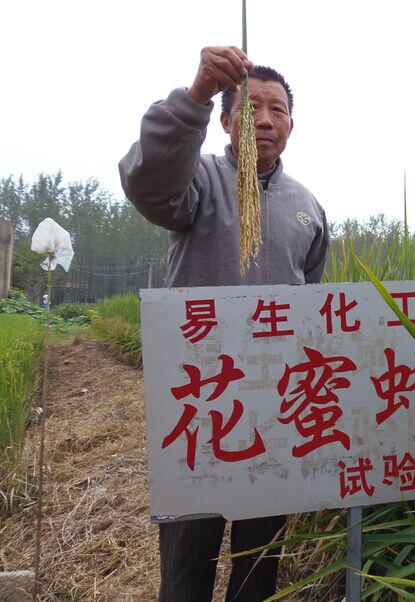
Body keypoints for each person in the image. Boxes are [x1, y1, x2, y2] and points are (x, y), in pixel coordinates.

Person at [119, 46, 329, 602]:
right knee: (186, 568)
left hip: (275, 412)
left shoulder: (308, 207)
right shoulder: (199, 181)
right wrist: (195, 95)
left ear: (292, 124)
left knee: (259, 567)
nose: (265, 120)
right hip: (201, 404)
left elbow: (314, 305)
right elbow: (149, 186)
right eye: (251, 107)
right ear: (226, 120)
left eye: (278, 109)